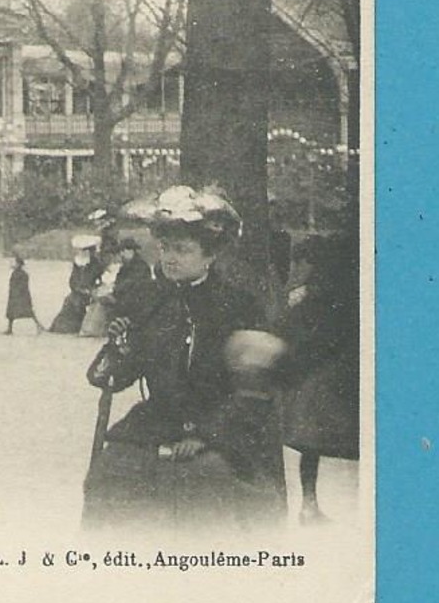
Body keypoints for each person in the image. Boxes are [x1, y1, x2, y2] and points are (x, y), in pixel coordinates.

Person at [83, 186, 285, 530]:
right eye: (165, 248)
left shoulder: (237, 306)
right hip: (160, 419)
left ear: (210, 256)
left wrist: (206, 434)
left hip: (222, 423)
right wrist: (122, 345)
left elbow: (253, 392)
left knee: (206, 479)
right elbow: (108, 379)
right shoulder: (149, 301)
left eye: (183, 250)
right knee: (113, 468)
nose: (170, 258)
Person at [279, 233, 359, 524]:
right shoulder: (330, 290)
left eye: (299, 262)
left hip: (322, 374)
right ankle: (309, 505)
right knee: (315, 441)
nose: (296, 268)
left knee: (313, 442)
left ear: (310, 262)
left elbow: (299, 332)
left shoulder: (314, 295)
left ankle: (309, 503)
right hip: (327, 373)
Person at [51, 236, 102, 334]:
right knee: (69, 301)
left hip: (88, 294)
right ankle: (59, 328)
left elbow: (98, 281)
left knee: (73, 302)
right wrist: (78, 289)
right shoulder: (79, 264)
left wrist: (89, 290)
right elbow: (72, 281)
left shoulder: (96, 265)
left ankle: (69, 328)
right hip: (78, 292)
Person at [5, 253, 41, 335]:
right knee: (12, 314)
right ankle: (9, 329)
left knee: (27, 312)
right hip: (15, 295)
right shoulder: (17, 273)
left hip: (20, 296)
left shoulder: (22, 274)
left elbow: (23, 286)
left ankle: (38, 326)